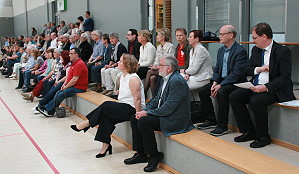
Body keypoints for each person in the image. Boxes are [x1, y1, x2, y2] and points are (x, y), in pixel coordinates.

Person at [229, 22, 295, 148]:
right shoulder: (256, 50)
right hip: (256, 85)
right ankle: (249, 131)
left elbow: (285, 77)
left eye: (254, 38)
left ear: (264, 36)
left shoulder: (283, 51)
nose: (253, 41)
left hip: (274, 88)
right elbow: (246, 68)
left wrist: (265, 87)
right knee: (234, 96)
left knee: (256, 100)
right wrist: (259, 69)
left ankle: (263, 136)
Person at [124, 55, 194, 172]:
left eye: (161, 65)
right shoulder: (165, 78)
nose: (158, 67)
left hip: (174, 119)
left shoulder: (177, 82)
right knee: (134, 117)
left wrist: (148, 113)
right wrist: (145, 110)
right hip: (165, 114)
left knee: (144, 121)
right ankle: (141, 153)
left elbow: (168, 108)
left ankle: (154, 155)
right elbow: (157, 99)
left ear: (169, 68)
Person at [71, 53, 145, 158]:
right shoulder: (123, 76)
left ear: (127, 64)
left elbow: (137, 99)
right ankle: (106, 145)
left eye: (120, 61)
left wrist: (138, 115)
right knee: (106, 117)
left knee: (106, 105)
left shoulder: (133, 78)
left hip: (133, 109)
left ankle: (86, 123)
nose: (118, 62)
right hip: (124, 105)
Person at [196, 25, 248, 136]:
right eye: (219, 34)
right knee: (203, 91)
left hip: (235, 82)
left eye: (222, 34)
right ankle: (211, 119)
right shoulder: (221, 50)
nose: (219, 36)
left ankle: (222, 126)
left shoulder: (240, 51)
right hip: (221, 80)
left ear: (231, 35)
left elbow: (236, 73)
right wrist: (215, 82)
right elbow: (218, 68)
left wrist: (220, 85)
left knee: (222, 92)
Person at [37, 48, 88, 117]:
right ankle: (50, 111)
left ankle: (47, 108)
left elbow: (74, 79)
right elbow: (69, 77)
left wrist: (66, 87)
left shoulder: (79, 64)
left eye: (71, 54)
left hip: (79, 87)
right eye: (69, 53)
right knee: (58, 92)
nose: (69, 55)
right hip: (73, 85)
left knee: (61, 94)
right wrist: (64, 85)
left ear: (76, 54)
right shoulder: (74, 64)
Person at [144, 28, 175, 96]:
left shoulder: (170, 46)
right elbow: (157, 60)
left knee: (149, 71)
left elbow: (170, 61)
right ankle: (155, 97)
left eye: (158, 35)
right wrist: (155, 65)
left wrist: (157, 67)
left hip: (167, 69)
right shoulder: (158, 47)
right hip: (160, 69)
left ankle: (144, 92)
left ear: (163, 37)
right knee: (152, 78)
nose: (157, 36)